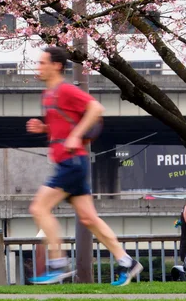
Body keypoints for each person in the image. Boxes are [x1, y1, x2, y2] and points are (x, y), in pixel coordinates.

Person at [26, 46, 143, 286]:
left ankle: (58, 265)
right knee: (89, 219)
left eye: (42, 63)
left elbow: (96, 108)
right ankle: (127, 262)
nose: (39, 67)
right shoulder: (48, 96)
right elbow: (64, 127)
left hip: (71, 163)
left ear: (56, 65)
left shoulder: (66, 90)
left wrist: (76, 135)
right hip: (71, 163)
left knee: (39, 208)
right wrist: (45, 129)